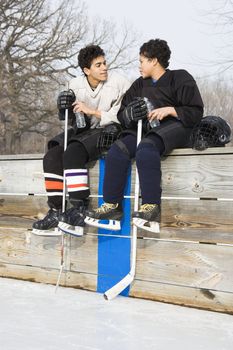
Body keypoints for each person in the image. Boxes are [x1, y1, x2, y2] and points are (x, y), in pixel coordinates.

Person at [85, 38, 204, 233]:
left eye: (142, 61)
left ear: (154, 60)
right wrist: (129, 114)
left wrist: (171, 110)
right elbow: (123, 115)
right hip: (146, 128)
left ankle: (151, 207)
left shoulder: (181, 78)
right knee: (118, 150)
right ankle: (112, 206)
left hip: (176, 126)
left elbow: (196, 111)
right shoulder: (139, 85)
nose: (139, 65)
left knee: (146, 148)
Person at [32, 45, 130, 236]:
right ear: (86, 70)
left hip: (110, 128)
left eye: (104, 63)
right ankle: (56, 210)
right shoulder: (74, 84)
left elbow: (124, 116)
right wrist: (64, 108)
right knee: (52, 155)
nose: (104, 68)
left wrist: (92, 111)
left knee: (74, 151)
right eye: (98, 65)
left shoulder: (120, 83)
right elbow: (70, 117)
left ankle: (79, 208)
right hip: (85, 129)